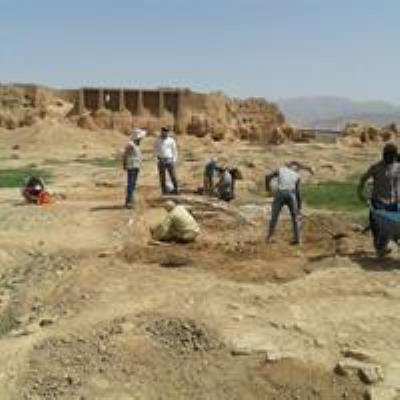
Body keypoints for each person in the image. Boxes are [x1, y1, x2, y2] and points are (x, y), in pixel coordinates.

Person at [357, 143, 398, 256]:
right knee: (377, 225)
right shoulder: (376, 167)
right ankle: (380, 248)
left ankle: (383, 246)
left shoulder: (397, 167)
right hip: (378, 200)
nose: (389, 158)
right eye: (387, 156)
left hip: (392, 201)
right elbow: (363, 179)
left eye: (392, 156)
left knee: (391, 225)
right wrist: (360, 193)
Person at [265, 162, 304, 245]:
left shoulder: (281, 169)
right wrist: (299, 207)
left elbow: (267, 177)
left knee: (274, 216)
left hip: (280, 193)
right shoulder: (297, 175)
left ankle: (270, 237)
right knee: (295, 218)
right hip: (291, 195)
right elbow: (298, 193)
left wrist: (268, 189)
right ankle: (297, 239)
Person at [123, 128, 146, 209]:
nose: (141, 139)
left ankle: (131, 200)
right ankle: (128, 202)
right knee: (130, 184)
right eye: (141, 137)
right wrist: (125, 164)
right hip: (131, 167)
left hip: (136, 166)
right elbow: (125, 155)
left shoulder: (136, 144)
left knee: (133, 184)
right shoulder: (130, 144)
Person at [154, 127, 179, 195]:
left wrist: (174, 159)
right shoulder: (157, 140)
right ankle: (164, 191)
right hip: (161, 160)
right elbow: (155, 150)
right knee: (162, 177)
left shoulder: (171, 140)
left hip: (169, 160)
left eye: (166, 132)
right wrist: (156, 159)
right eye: (164, 131)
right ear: (161, 132)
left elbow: (174, 150)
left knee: (173, 175)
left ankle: (176, 189)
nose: (165, 133)